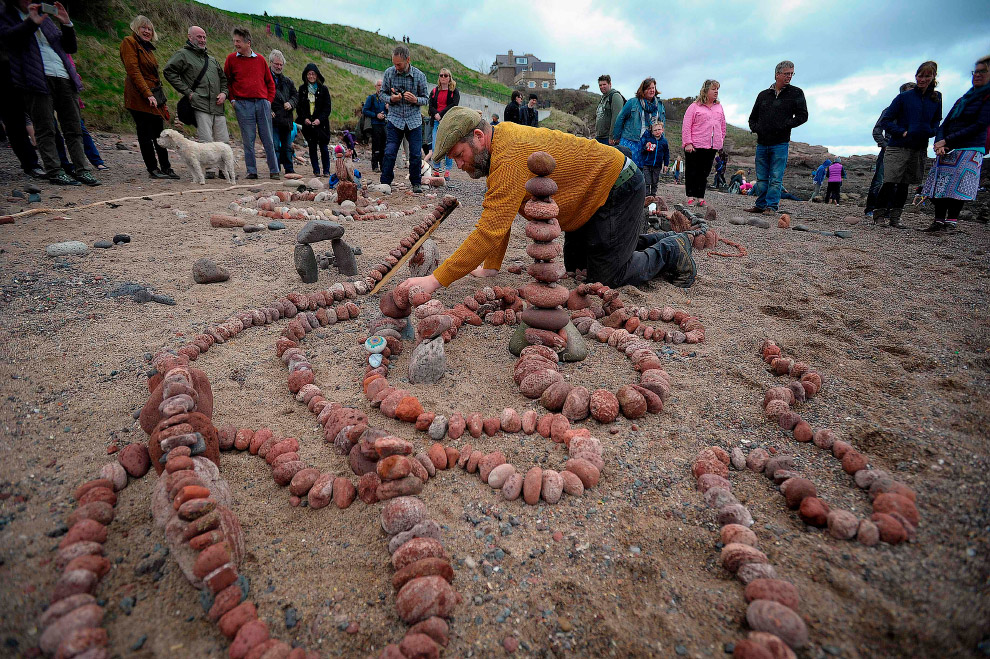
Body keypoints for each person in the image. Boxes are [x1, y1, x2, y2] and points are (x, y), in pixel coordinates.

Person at [395, 107, 698, 300]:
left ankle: (670, 250)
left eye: (460, 155)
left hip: (617, 185)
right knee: (577, 267)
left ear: (478, 137)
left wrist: (435, 280)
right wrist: (491, 267)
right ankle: (659, 238)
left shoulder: (509, 156)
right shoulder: (500, 146)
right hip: (588, 200)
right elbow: (501, 216)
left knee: (607, 277)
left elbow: (489, 230)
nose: (460, 165)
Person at [0, 0, 99, 186]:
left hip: (63, 75)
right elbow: (9, 41)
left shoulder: (45, 19)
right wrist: (31, 22)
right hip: (36, 78)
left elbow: (69, 48)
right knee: (46, 128)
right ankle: (55, 171)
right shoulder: (8, 16)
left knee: (74, 127)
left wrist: (66, 23)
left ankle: (82, 170)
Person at [919, 56, 990, 232]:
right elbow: (945, 123)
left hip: (970, 147)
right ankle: (938, 221)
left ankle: (951, 222)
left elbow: (980, 125)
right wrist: (939, 143)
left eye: (983, 71)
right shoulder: (963, 99)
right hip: (948, 147)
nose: (978, 75)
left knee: (959, 185)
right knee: (940, 183)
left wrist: (947, 140)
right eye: (976, 71)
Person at [873, 61, 942, 228]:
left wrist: (931, 132)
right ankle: (879, 215)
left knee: (905, 184)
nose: (922, 79)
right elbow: (886, 121)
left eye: (927, 76)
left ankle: (895, 217)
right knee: (889, 181)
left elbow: (937, 122)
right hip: (898, 146)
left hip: (918, 148)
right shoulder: (904, 98)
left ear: (933, 77)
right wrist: (902, 132)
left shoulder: (936, 98)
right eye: (920, 75)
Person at [163, 26, 229, 179]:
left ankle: (224, 170)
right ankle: (210, 171)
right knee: (206, 140)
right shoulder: (183, 54)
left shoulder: (211, 59)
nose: (202, 40)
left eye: (204, 37)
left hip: (218, 106)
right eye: (199, 37)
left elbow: (224, 80)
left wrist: (224, 93)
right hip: (200, 104)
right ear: (190, 37)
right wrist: (188, 92)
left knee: (223, 141)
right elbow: (168, 71)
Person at [746, 60, 808, 214]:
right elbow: (752, 118)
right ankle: (760, 205)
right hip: (762, 143)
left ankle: (771, 206)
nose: (789, 76)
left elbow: (803, 116)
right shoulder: (763, 95)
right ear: (777, 74)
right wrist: (757, 128)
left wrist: (785, 124)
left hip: (780, 143)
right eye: (787, 73)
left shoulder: (796, 93)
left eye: (792, 73)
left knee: (775, 177)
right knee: (761, 178)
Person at [120, 15, 175, 180]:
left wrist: (159, 98)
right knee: (144, 133)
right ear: (136, 28)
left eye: (150, 29)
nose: (147, 31)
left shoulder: (148, 49)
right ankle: (153, 168)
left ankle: (166, 167)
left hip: (153, 94)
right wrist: (147, 94)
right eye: (143, 27)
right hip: (138, 96)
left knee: (159, 132)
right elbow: (133, 71)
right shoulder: (129, 42)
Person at [224, 27, 280, 180]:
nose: (236, 44)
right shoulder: (231, 59)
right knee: (248, 139)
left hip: (262, 103)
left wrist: (268, 101)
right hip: (242, 104)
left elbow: (270, 83)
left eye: (239, 41)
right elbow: (227, 81)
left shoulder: (260, 59)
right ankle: (251, 171)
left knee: (267, 137)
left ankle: (274, 170)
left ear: (248, 43)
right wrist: (233, 100)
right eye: (234, 41)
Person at [380, 45, 428, 192]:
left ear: (408, 60)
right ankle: (385, 182)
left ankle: (416, 183)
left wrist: (415, 99)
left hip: (414, 120)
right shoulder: (389, 73)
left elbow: (426, 99)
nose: (396, 67)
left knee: (414, 153)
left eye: (399, 64)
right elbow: (382, 95)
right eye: (394, 64)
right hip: (395, 119)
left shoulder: (420, 76)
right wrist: (391, 99)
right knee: (390, 151)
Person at [865, 82, 917, 217]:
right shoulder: (890, 110)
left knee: (899, 183)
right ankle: (871, 209)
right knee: (880, 180)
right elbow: (877, 130)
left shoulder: (916, 112)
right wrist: (884, 144)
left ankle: (889, 211)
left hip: (908, 150)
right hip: (889, 150)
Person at [682, 79, 726, 207]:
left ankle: (700, 197)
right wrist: (687, 143)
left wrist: (720, 140)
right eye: (713, 89)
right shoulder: (694, 106)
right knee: (692, 171)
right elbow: (686, 126)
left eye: (717, 89)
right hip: (695, 145)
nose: (716, 91)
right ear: (706, 90)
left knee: (704, 172)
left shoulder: (719, 107)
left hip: (712, 145)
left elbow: (722, 126)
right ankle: (690, 196)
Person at [0, 49, 43, 177]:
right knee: (15, 124)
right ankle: (31, 164)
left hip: (25, 69)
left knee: (41, 118)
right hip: (7, 73)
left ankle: (50, 164)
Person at [613, 77, 664, 167]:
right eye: (649, 88)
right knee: (627, 169)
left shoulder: (659, 105)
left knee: (646, 171)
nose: (652, 90)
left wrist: (661, 139)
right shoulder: (633, 102)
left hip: (649, 143)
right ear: (643, 90)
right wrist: (616, 136)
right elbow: (620, 118)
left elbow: (662, 123)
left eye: (653, 88)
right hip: (631, 141)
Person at [295, 63, 331, 177]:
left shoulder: (323, 90)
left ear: (317, 75)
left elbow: (327, 107)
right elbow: (299, 107)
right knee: (312, 147)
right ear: (306, 75)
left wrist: (320, 119)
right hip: (308, 124)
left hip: (321, 124)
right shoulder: (302, 89)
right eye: (309, 74)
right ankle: (316, 170)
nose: (311, 76)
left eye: (313, 74)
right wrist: (304, 118)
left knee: (324, 147)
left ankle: (326, 170)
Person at [268, 50, 296, 175]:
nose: (279, 67)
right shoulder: (265, 79)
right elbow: (261, 96)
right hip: (272, 119)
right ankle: (275, 169)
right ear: (271, 63)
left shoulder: (288, 81)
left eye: (281, 65)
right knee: (274, 146)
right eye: (276, 64)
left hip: (286, 119)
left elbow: (296, 96)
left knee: (287, 147)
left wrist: (291, 103)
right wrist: (268, 109)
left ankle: (289, 169)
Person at [428, 67, 460, 177]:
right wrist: (436, 114)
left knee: (448, 144)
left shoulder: (454, 91)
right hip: (436, 120)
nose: (443, 77)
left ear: (450, 77)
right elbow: (430, 105)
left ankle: (447, 170)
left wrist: (440, 114)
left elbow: (454, 105)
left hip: (448, 120)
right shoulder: (434, 91)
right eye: (441, 75)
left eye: (445, 75)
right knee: (435, 144)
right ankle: (436, 168)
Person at [363, 79, 387, 171]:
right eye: (379, 85)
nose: (380, 87)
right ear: (375, 86)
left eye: (382, 85)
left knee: (384, 146)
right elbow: (365, 110)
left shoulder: (386, 99)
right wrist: (376, 115)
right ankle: (375, 165)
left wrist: (387, 110)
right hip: (375, 124)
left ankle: (382, 165)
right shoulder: (371, 98)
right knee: (376, 146)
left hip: (384, 124)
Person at [639, 121, 669, 196]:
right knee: (647, 181)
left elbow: (666, 154)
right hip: (647, 164)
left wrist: (666, 165)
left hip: (657, 165)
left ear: (662, 130)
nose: (657, 132)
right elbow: (642, 151)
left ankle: (653, 195)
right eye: (655, 130)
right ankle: (646, 196)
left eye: (659, 129)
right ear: (652, 132)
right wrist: (646, 147)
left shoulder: (664, 142)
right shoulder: (649, 140)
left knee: (655, 182)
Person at [595, 74, 625, 144]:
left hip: (608, 138)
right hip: (599, 137)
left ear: (610, 84)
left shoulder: (615, 96)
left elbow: (617, 118)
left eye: (604, 84)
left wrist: (612, 137)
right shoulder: (603, 98)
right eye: (600, 85)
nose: (602, 87)